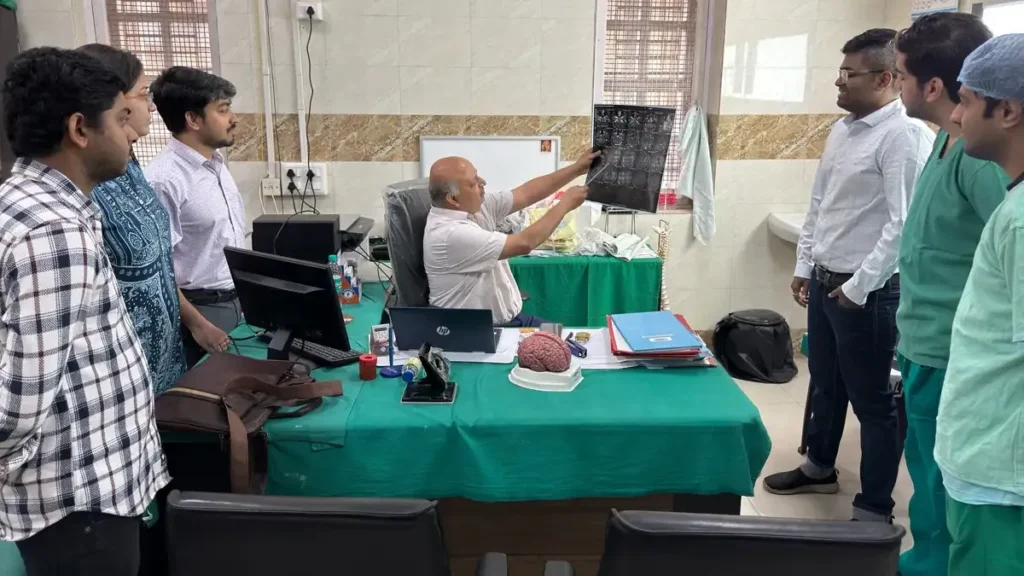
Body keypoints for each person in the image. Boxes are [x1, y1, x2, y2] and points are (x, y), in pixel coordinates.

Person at [0, 47, 169, 575]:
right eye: (123, 117)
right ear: (79, 128)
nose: (134, 132)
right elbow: (19, 401)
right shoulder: (55, 229)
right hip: (77, 501)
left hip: (84, 491)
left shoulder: (34, 201)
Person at [763, 29, 934, 523]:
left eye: (848, 74)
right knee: (824, 382)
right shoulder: (844, 129)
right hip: (825, 280)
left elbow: (903, 225)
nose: (838, 83)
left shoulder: (903, 137)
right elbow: (821, 204)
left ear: (885, 78)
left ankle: (874, 506)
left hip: (869, 292)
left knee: (872, 399)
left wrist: (858, 288)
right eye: (839, 72)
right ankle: (818, 465)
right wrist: (804, 266)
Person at [890, 14, 1009, 576]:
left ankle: (938, 564)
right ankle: (929, 556)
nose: (897, 87)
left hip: (952, 354)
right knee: (927, 470)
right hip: (923, 343)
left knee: (945, 479)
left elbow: (1002, 253)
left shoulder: (978, 160)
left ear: (931, 86)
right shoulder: (947, 141)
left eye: (901, 77)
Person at [934, 33, 1024, 576]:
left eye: (965, 100)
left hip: (1003, 475)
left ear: (1007, 110)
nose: (957, 116)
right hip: (991, 461)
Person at [75, 44, 196, 394]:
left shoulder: (130, 167)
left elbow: (157, 261)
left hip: (165, 362)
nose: (151, 106)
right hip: (114, 382)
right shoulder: (86, 185)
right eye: (143, 95)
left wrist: (194, 321)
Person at [423, 151, 597, 327]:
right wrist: (565, 205)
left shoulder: (472, 207)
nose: (483, 183)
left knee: (563, 339)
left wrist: (577, 169)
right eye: (474, 182)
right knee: (558, 346)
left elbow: (525, 194)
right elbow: (524, 243)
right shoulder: (450, 234)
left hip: (508, 320)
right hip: (476, 330)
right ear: (453, 199)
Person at [146, 66, 244, 367]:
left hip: (238, 301)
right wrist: (199, 325)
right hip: (201, 312)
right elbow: (157, 269)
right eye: (223, 110)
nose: (234, 119)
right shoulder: (163, 180)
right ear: (193, 119)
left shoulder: (215, 163)